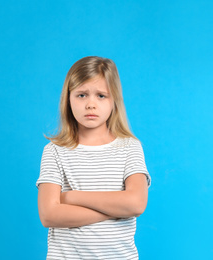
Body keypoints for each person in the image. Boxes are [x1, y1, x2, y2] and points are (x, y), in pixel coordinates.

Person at [36, 56, 151, 259]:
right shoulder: (54, 151)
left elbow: (136, 204)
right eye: (81, 95)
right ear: (68, 99)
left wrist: (72, 197)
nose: (91, 104)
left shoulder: (130, 147)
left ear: (114, 99)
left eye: (101, 96)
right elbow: (49, 214)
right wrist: (117, 209)